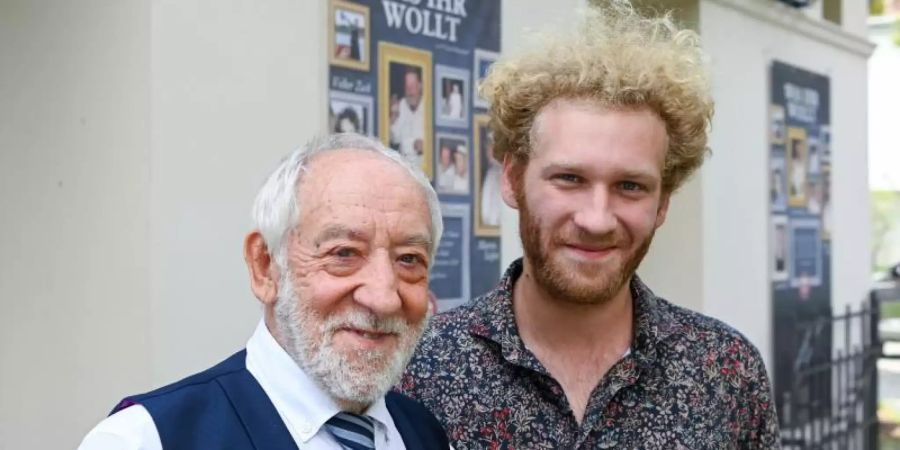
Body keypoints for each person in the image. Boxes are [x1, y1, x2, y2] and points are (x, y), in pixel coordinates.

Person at [397, 2, 780, 448]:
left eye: (631, 186)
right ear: (513, 178)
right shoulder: (419, 368)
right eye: (570, 179)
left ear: (663, 203)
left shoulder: (725, 372)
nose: (597, 219)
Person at [79, 134, 450, 450]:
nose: (383, 297)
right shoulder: (145, 439)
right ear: (265, 266)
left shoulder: (425, 435)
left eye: (409, 259)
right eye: (344, 253)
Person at [390, 68, 425, 169]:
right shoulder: (401, 105)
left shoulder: (430, 107)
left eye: (413, 86)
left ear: (420, 86)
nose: (410, 91)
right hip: (405, 170)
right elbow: (394, 138)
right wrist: (393, 117)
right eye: (407, 87)